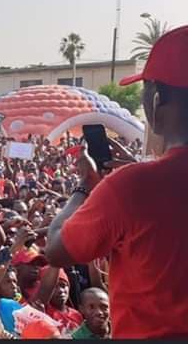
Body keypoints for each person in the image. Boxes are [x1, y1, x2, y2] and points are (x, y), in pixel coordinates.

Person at [46, 29, 188, 339]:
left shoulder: (133, 187)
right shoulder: (135, 184)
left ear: (156, 101)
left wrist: (84, 188)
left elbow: (56, 249)